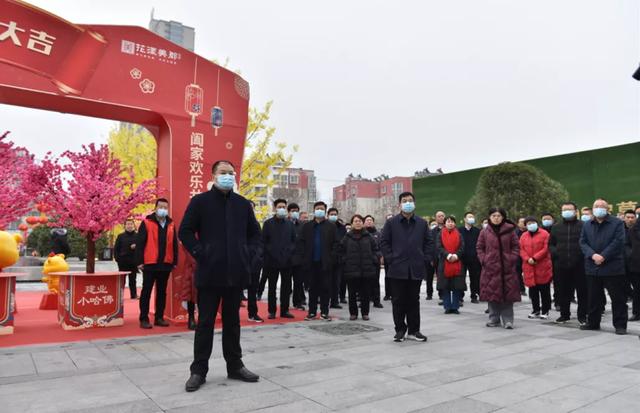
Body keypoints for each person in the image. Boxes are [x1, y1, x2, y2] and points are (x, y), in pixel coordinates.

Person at [179, 160, 262, 392]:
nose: (228, 176)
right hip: (209, 272)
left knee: (233, 322)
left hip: (235, 273)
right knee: (205, 323)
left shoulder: (243, 204)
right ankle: (198, 371)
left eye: (231, 173)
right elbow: (184, 231)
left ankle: (235, 365)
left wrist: (249, 255)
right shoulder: (200, 202)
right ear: (213, 175)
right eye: (223, 173)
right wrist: (200, 252)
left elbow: (255, 234)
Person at [380, 192, 432, 342]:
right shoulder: (391, 223)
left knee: (414, 300)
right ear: (400, 204)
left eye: (410, 200)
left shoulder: (422, 223)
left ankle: (414, 330)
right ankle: (400, 330)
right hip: (397, 268)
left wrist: (425, 258)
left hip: (415, 268)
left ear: (414, 203)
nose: (407, 203)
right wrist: (391, 258)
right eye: (404, 201)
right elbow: (384, 242)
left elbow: (429, 242)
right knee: (398, 300)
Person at [579, 198, 628, 335]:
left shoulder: (617, 223)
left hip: (612, 267)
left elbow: (618, 241)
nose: (598, 208)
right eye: (596, 206)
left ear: (607, 209)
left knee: (618, 298)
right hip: (592, 266)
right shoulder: (587, 224)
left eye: (602, 206)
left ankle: (620, 325)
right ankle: (593, 322)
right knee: (593, 297)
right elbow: (583, 242)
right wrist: (593, 255)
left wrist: (603, 256)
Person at [136, 198, 178, 329]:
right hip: (150, 263)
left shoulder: (171, 224)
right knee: (146, 291)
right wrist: (139, 261)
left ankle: (159, 317)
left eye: (165, 207)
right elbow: (140, 244)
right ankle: (144, 318)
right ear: (155, 207)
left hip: (165, 264)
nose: (163, 209)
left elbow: (174, 244)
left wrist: (174, 261)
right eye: (161, 206)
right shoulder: (147, 222)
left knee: (162, 292)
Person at [477, 208, 521, 329]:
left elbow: (516, 246)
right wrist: (484, 260)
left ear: (503, 217)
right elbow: (479, 248)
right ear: (489, 217)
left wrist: (511, 259)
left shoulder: (510, 231)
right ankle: (494, 319)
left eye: (499, 215)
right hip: (490, 268)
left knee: (508, 295)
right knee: (492, 294)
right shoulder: (484, 232)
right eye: (493, 215)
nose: (496, 218)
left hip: (507, 268)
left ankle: (508, 320)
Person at [297, 201, 338, 321]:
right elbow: (301, 243)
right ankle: (312, 312)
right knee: (312, 288)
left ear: (325, 211)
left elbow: (336, 244)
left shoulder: (331, 226)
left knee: (326, 288)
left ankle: (324, 312)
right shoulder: (307, 226)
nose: (319, 210)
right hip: (311, 263)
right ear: (314, 210)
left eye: (322, 209)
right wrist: (303, 258)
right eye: (317, 208)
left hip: (326, 262)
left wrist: (332, 258)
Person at [549, 202, 587, 324]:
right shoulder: (556, 227)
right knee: (563, 291)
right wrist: (557, 253)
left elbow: (588, 242)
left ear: (576, 211)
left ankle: (582, 315)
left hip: (580, 264)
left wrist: (582, 255)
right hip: (561, 264)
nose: (567, 212)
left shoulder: (584, 225)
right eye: (564, 209)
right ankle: (564, 315)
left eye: (569, 209)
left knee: (582, 292)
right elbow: (551, 244)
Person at [339, 215, 379, 320]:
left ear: (363, 223)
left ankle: (365, 313)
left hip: (366, 270)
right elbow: (341, 251)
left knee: (365, 293)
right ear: (352, 223)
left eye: (360, 221)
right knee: (352, 294)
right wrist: (345, 261)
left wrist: (374, 259)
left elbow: (376, 249)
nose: (358, 223)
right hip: (351, 270)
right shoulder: (347, 237)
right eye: (355, 221)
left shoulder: (368, 236)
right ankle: (353, 313)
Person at [262, 199, 297, 320]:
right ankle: (272, 310)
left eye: (283, 207)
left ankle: (285, 310)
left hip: (287, 261)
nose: (281, 209)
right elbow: (264, 242)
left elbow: (294, 241)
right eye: (279, 206)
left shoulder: (290, 225)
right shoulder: (268, 223)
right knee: (272, 287)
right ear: (275, 208)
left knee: (286, 287)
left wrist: (289, 253)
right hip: (272, 261)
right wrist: (271, 253)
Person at [519, 217, 553, 319]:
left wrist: (535, 258)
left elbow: (546, 248)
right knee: (533, 290)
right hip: (529, 265)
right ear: (525, 225)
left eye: (533, 222)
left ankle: (545, 310)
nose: (531, 225)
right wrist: (527, 258)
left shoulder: (545, 234)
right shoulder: (523, 236)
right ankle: (535, 309)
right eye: (528, 223)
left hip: (542, 265)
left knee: (544, 290)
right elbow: (521, 249)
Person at [436, 216, 466, 314]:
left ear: (455, 224)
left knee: (456, 286)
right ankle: (447, 307)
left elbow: (462, 247)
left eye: (452, 222)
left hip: (457, 263)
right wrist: (448, 255)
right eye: (448, 222)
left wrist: (456, 256)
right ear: (445, 224)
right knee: (445, 287)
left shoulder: (459, 234)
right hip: (444, 263)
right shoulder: (440, 234)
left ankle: (455, 307)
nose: (450, 223)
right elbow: (439, 247)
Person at [246, 201, 264, 323]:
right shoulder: (236, 223)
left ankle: (253, 313)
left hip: (254, 261)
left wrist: (258, 256)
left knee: (253, 289)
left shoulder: (256, 224)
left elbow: (260, 242)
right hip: (239, 260)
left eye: (252, 208)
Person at [114, 218, 139, 299]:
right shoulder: (120, 236)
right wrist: (117, 259)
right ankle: (120, 296)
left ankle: (133, 295)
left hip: (134, 261)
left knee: (133, 279)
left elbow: (142, 248)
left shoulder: (137, 236)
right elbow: (116, 249)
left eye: (131, 224)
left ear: (134, 226)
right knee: (122, 280)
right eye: (127, 224)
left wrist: (136, 246)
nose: (129, 226)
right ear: (125, 226)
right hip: (123, 261)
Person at [459, 212, 481, 303]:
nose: (471, 218)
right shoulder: (459, 230)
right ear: (465, 219)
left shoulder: (477, 231)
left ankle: (474, 295)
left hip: (474, 258)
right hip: (462, 258)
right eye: (469, 217)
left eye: (472, 217)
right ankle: (460, 296)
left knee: (475, 278)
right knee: (461, 278)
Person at [288, 203, 307, 311]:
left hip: (299, 258)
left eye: (296, 210)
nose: (294, 212)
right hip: (287, 258)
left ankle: (297, 302)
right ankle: (285, 303)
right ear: (289, 212)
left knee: (298, 282)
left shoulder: (302, 225)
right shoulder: (285, 223)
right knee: (286, 283)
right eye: (292, 210)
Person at [327, 208, 347, 309]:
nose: (333, 216)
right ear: (327, 215)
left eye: (335, 214)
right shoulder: (325, 226)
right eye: (331, 214)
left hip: (338, 259)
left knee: (336, 281)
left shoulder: (342, 228)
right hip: (326, 258)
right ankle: (325, 300)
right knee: (326, 281)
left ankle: (335, 301)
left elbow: (344, 242)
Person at [364, 215, 384, 309]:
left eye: (370, 220)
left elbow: (381, 247)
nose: (369, 222)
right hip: (364, 261)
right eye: (367, 220)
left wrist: (379, 256)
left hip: (374, 261)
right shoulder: (362, 233)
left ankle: (377, 301)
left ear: (373, 222)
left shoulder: (378, 234)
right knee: (365, 282)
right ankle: (364, 301)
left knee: (375, 282)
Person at [625, 208, 640, 321]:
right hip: (636, 264)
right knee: (637, 290)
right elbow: (626, 245)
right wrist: (632, 255)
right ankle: (637, 313)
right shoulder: (633, 229)